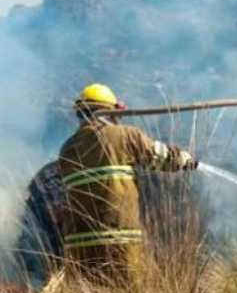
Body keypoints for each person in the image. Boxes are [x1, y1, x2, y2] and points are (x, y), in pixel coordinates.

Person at [57, 83, 197, 282]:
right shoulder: (125, 135)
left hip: (77, 246)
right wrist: (184, 159)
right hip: (118, 241)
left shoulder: (67, 148)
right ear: (109, 111)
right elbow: (161, 158)